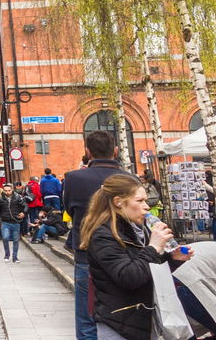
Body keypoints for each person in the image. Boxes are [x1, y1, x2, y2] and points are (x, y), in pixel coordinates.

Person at [82, 174, 191, 340]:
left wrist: (172, 258)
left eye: (145, 201)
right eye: (139, 201)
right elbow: (129, 277)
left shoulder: (139, 229)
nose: (146, 207)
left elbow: (148, 270)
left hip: (143, 319)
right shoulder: (103, 235)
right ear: (118, 202)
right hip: (119, 323)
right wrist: (153, 247)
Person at [64, 130, 133, 340]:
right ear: (116, 151)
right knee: (124, 315)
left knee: (87, 319)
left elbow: (69, 209)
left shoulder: (74, 178)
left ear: (88, 152)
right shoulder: (130, 179)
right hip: (124, 256)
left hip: (87, 254)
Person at [0, 182, 27, 263]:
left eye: (9, 190)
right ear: (3, 190)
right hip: (5, 221)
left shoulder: (18, 197)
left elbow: (25, 205)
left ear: (12, 190)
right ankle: (7, 254)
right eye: (6, 190)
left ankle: (15, 257)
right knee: (5, 237)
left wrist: (23, 212)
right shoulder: (0, 199)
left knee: (16, 240)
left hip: (15, 221)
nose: (7, 192)